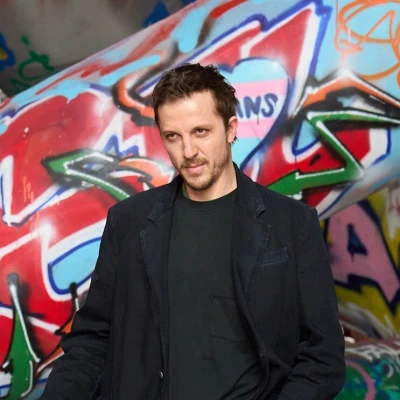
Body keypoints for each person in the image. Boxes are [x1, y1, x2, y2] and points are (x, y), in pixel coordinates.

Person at [39, 63, 346, 400]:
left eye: (201, 132)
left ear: (230, 129)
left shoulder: (293, 223)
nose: (188, 152)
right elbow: (92, 340)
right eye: (173, 136)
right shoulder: (128, 221)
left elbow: (322, 359)